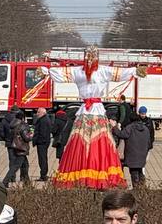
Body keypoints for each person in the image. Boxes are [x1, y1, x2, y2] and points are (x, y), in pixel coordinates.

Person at [49, 48, 139, 189]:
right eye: (88, 57)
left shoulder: (100, 70)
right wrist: (46, 71)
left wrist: (134, 71)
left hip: (93, 109)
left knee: (92, 141)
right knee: (87, 141)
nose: (90, 60)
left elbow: (119, 73)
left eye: (92, 57)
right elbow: (61, 73)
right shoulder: (79, 71)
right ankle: (86, 173)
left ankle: (94, 173)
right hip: (87, 109)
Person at [116, 105, 154, 186]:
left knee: (134, 173)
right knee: (140, 171)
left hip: (132, 155)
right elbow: (149, 140)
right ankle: (142, 189)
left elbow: (122, 135)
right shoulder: (145, 128)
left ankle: (136, 190)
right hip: (142, 155)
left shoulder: (130, 127)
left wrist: (114, 128)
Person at [31, 104, 53, 181]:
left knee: (42, 159)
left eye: (38, 112)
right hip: (44, 142)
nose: (37, 114)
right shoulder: (45, 119)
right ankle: (44, 174)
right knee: (43, 158)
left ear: (43, 113)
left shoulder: (43, 120)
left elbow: (42, 133)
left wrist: (37, 141)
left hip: (42, 143)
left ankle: (43, 175)